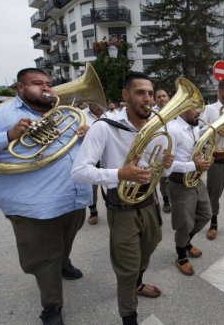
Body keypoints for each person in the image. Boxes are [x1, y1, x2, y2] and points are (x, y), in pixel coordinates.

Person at [0, 68, 91, 325]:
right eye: (38, 84)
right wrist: (8, 136)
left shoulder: (62, 113)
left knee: (66, 238)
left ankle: (63, 262)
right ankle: (51, 307)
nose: (47, 88)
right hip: (34, 205)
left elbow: (75, 148)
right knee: (43, 257)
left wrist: (86, 136)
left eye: (49, 84)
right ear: (20, 88)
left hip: (73, 196)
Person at [72, 72, 172, 325]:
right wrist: (120, 173)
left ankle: (138, 283)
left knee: (148, 249)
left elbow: (162, 169)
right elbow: (79, 172)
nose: (148, 99)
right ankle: (129, 316)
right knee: (126, 267)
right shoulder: (104, 127)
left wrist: (167, 164)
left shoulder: (157, 126)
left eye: (150, 93)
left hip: (150, 201)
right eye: (141, 93)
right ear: (126, 96)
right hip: (122, 206)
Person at [166, 107, 213, 276]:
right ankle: (180, 256)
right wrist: (194, 165)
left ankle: (186, 242)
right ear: (183, 108)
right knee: (184, 223)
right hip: (179, 183)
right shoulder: (172, 130)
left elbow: (197, 149)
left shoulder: (193, 126)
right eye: (196, 108)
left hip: (196, 179)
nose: (199, 112)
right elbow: (166, 166)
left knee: (206, 214)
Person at [200, 79, 224, 240]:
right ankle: (214, 224)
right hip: (216, 160)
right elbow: (199, 129)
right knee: (213, 195)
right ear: (220, 91)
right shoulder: (210, 109)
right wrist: (215, 128)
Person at [79, 102, 105, 225]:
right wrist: (90, 132)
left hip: (105, 155)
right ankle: (93, 211)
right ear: (89, 102)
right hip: (91, 156)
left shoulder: (110, 115)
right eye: (96, 101)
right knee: (92, 186)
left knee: (111, 181)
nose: (99, 104)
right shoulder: (80, 115)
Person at [153, 89, 172, 213]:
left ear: (168, 97)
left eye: (164, 96)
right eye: (159, 96)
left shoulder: (175, 109)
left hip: (173, 146)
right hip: (159, 148)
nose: (162, 98)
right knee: (162, 177)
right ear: (155, 99)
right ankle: (165, 200)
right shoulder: (152, 113)